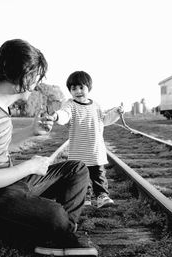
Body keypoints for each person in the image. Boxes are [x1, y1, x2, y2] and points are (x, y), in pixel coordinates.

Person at [0, 39, 97, 257]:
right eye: (37, 77)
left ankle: (61, 233)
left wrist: (31, 131)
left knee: (77, 170)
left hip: (5, 186)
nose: (36, 85)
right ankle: (58, 230)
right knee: (55, 215)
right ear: (24, 76)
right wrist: (30, 166)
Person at [48, 71, 123, 208]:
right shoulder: (70, 105)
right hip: (78, 151)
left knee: (99, 175)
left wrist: (116, 112)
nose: (78, 91)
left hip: (95, 150)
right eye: (73, 88)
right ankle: (85, 197)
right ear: (70, 91)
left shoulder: (96, 105)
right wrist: (57, 116)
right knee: (82, 177)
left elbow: (105, 120)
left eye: (81, 87)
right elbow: (65, 114)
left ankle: (102, 196)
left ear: (89, 88)